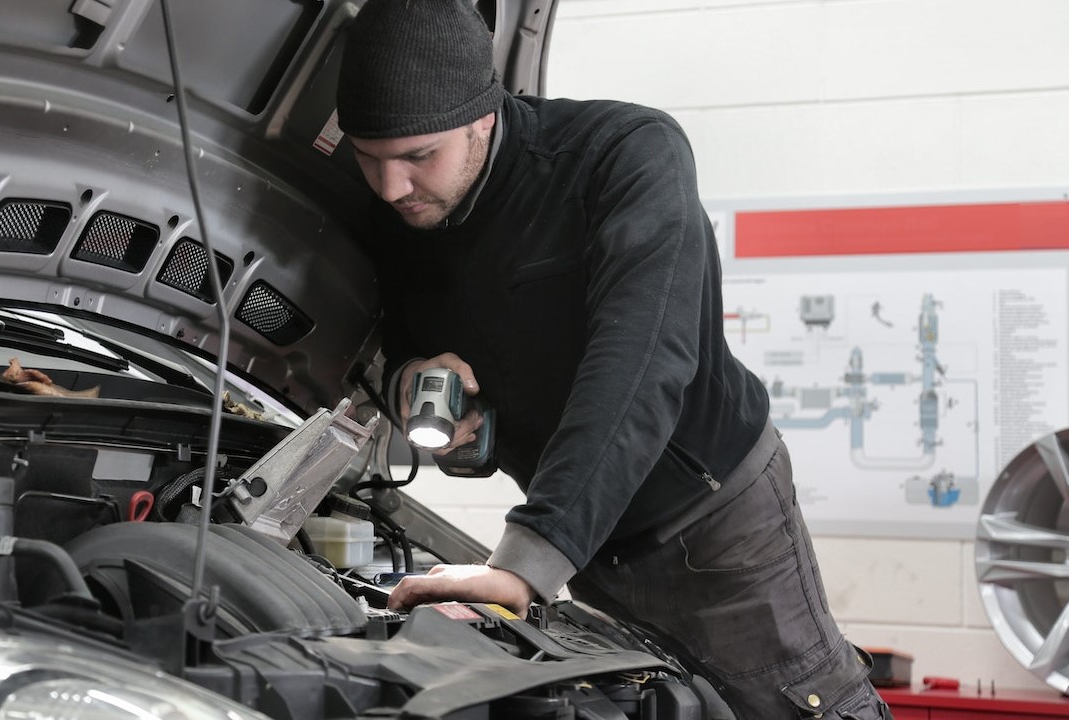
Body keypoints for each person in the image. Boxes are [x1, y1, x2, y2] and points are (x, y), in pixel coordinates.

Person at [334, 1, 890, 718]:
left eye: (417, 158)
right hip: (590, 547)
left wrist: (528, 562)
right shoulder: (396, 209)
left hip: (716, 527)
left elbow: (641, 363)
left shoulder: (624, 154)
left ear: (484, 115)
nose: (390, 188)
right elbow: (391, 333)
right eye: (368, 158)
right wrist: (406, 377)